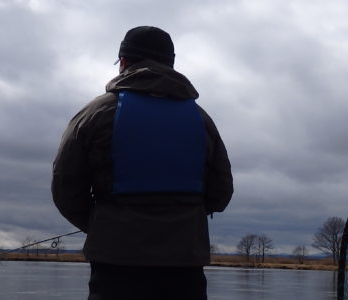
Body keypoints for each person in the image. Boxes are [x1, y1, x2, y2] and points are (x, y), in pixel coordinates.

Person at [51, 26, 233, 300]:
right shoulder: (201, 119)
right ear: (170, 64)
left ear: (123, 62)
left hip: (114, 265)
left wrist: (103, 224)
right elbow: (221, 193)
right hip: (185, 266)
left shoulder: (95, 113)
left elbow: (65, 188)